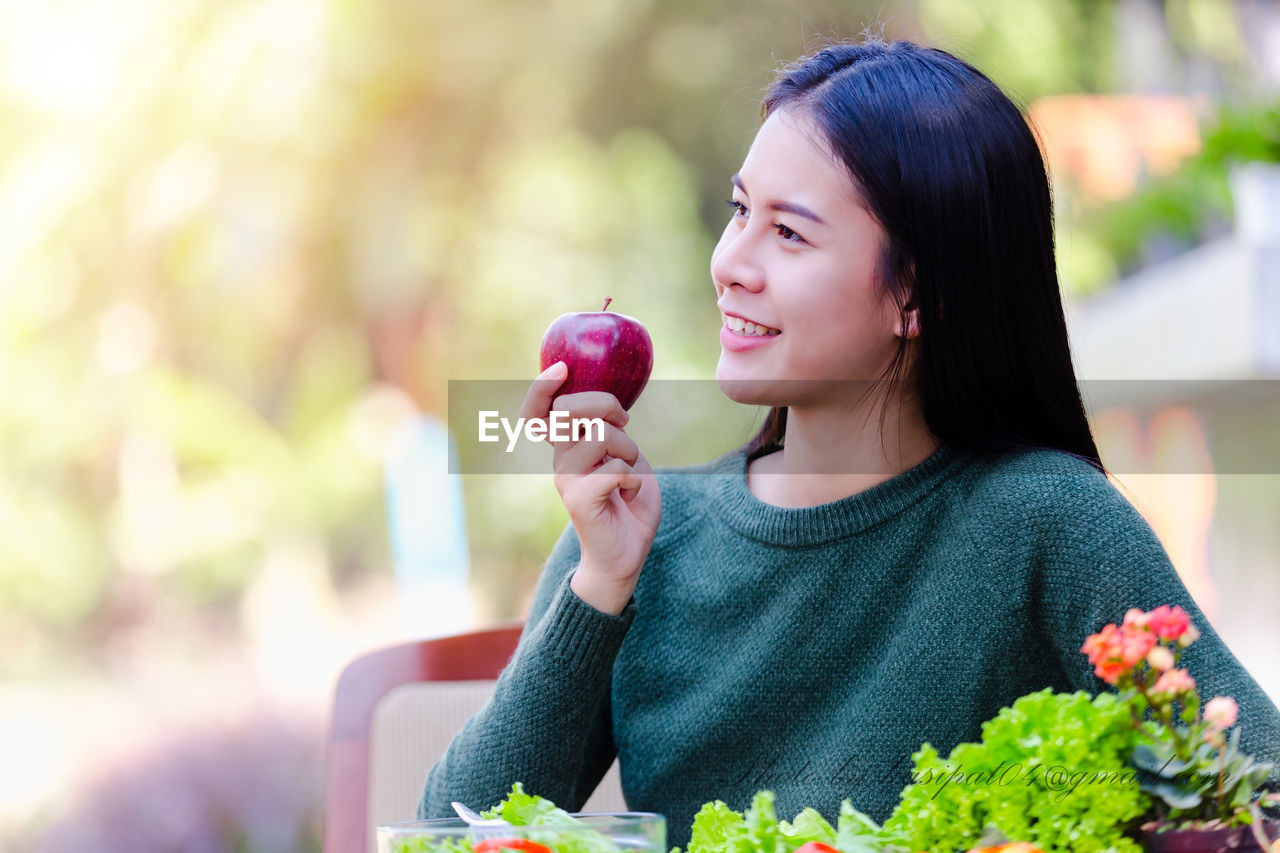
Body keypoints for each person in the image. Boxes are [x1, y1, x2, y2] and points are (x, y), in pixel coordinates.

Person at [418, 37, 1280, 847]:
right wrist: (601, 585)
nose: (730, 262)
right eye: (739, 212)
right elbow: (454, 835)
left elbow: (1259, 792)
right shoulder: (636, 537)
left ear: (918, 298)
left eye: (789, 233)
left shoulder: (1046, 522)